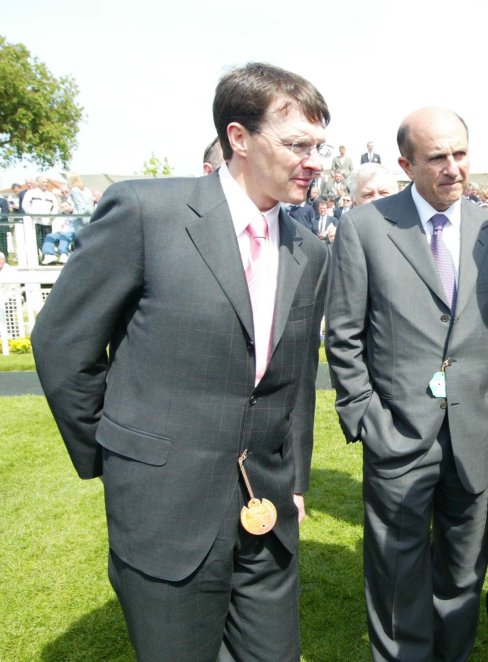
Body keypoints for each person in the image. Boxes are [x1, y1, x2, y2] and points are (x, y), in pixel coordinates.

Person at [31, 62, 331, 661]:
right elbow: (64, 344)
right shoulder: (146, 212)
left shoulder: (310, 250)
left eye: (321, 146)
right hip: (163, 511)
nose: (316, 161)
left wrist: (294, 479)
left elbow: (294, 382)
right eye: (298, 144)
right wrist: (117, 459)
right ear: (238, 138)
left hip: (267, 513)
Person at [324, 106, 488, 661]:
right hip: (397, 438)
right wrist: (366, 418)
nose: (453, 168)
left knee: (463, 572)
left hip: (477, 437)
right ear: (405, 163)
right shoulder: (365, 227)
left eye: (460, 154)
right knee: (396, 578)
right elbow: (343, 337)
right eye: (437, 157)